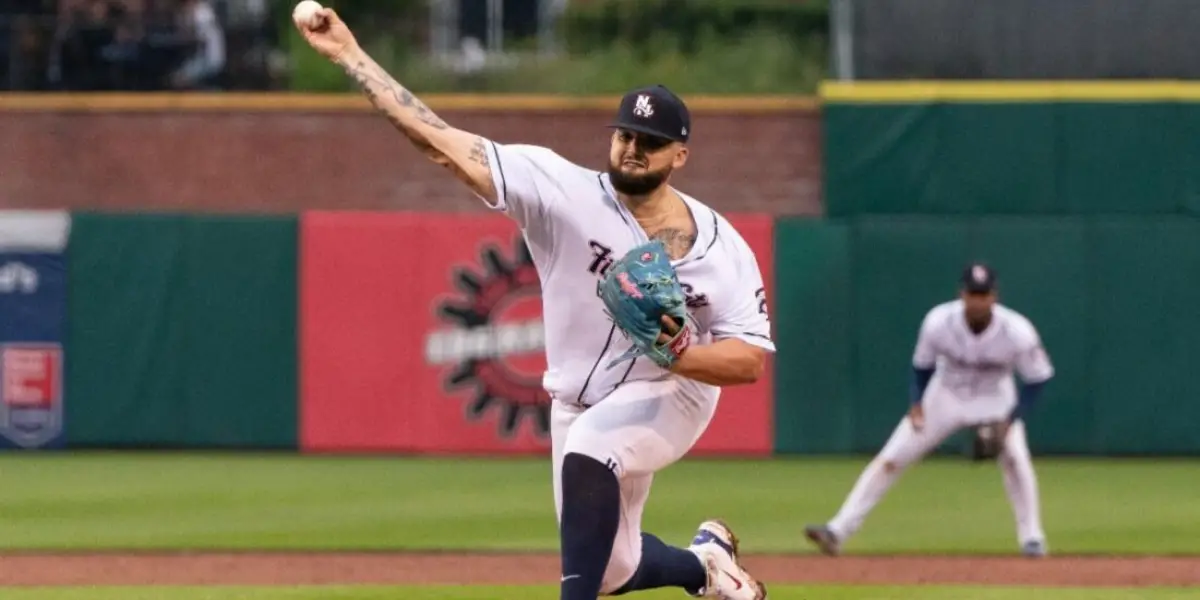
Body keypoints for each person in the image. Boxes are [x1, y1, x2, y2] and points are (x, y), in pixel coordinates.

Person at [295, 7, 773, 600]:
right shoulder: (560, 191)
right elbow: (443, 144)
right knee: (611, 570)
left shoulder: (720, 246)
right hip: (574, 398)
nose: (631, 148)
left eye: (649, 142)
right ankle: (706, 568)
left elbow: (748, 361)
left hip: (676, 391)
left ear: (680, 155)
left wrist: (679, 354)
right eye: (625, 135)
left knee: (595, 450)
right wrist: (349, 56)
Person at [804, 263, 1053, 558]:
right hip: (945, 395)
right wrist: (916, 403)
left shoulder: (1017, 331)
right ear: (962, 294)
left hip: (995, 399)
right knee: (892, 458)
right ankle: (837, 530)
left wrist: (1013, 420)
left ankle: (1032, 538)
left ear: (994, 297)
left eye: (983, 294)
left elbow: (1038, 378)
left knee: (1016, 460)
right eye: (973, 293)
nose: (978, 300)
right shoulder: (938, 321)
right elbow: (922, 366)